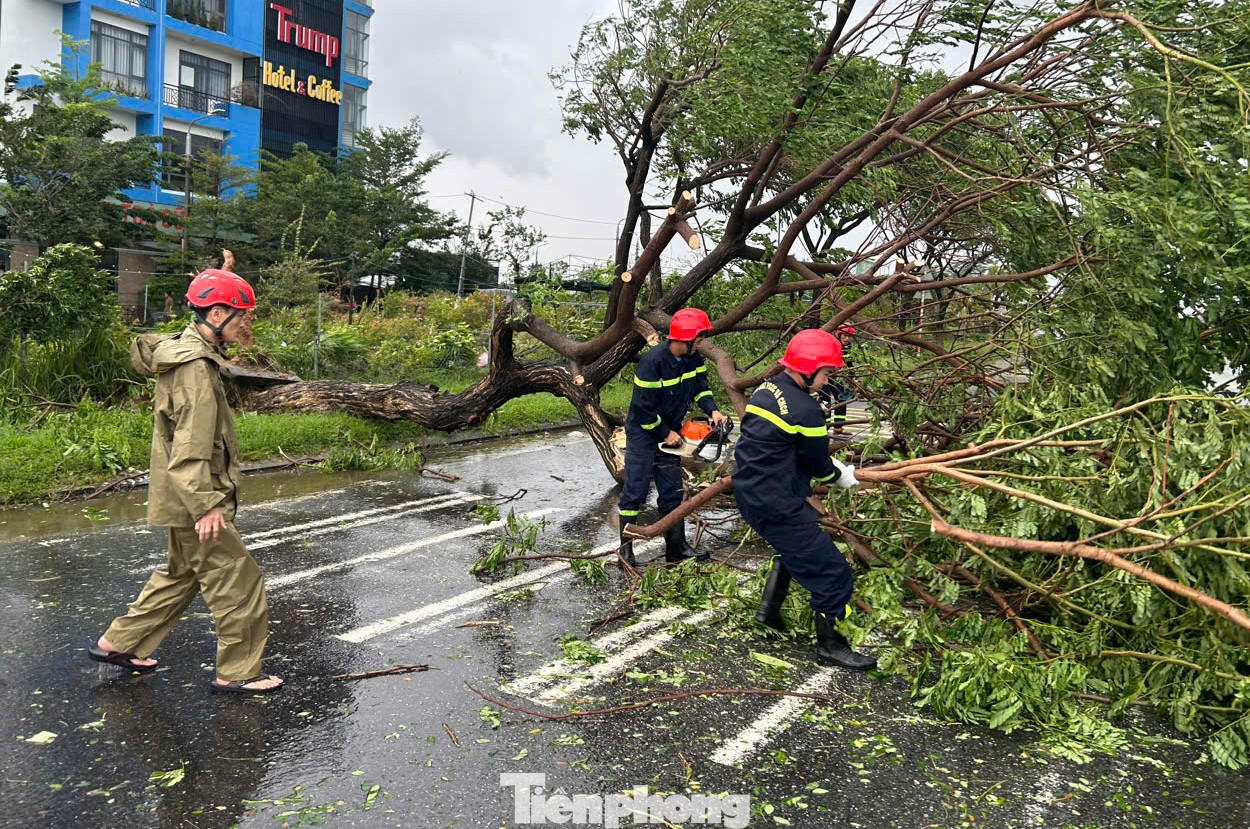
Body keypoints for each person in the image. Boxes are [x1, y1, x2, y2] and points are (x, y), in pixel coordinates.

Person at [89, 268, 283, 694]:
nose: (245, 325)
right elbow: (191, 445)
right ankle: (239, 671)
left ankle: (119, 643)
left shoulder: (184, 353)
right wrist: (207, 505)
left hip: (181, 495)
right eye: (241, 317)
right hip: (195, 496)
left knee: (183, 573)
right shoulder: (194, 366)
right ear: (215, 312)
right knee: (238, 579)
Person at [733, 329, 876, 670]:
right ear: (808, 369)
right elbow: (818, 465)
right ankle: (832, 646)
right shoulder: (806, 411)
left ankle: (768, 613)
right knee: (832, 571)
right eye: (826, 373)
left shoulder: (766, 389)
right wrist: (845, 476)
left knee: (798, 548)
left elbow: (786, 447)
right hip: (777, 502)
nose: (828, 380)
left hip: (752, 493)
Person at [618, 308, 728, 566]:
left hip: (672, 431)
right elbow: (644, 410)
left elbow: (701, 387)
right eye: (698, 339)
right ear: (685, 339)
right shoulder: (652, 363)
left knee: (671, 490)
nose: (701, 344)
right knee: (635, 489)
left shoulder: (694, 359)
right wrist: (665, 433)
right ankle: (625, 550)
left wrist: (713, 410)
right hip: (644, 433)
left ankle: (676, 547)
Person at [818, 325, 856, 430]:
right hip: (824, 377)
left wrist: (852, 377)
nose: (847, 338)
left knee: (842, 399)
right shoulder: (831, 345)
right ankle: (824, 428)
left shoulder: (848, 347)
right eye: (844, 335)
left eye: (849, 336)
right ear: (839, 334)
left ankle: (838, 427)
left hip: (837, 377)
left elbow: (849, 363)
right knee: (826, 402)